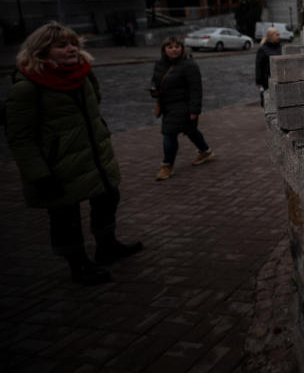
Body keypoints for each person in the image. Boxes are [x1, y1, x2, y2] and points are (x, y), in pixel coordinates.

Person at [5, 22, 142, 285]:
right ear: (42, 51)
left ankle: (107, 245)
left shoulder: (83, 74)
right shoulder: (28, 87)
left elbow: (94, 106)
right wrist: (39, 175)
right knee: (65, 217)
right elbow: (20, 138)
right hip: (56, 164)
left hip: (94, 154)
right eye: (62, 45)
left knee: (108, 197)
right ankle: (78, 264)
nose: (71, 49)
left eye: (73, 44)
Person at [151, 35, 213, 180]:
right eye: (170, 47)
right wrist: (154, 89)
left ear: (182, 48)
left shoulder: (189, 65)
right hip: (167, 105)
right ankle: (205, 151)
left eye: (177, 47)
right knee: (190, 130)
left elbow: (196, 89)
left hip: (183, 106)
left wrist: (194, 110)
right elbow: (155, 80)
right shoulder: (160, 64)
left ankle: (167, 166)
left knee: (169, 134)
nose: (174, 50)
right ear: (164, 49)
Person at [255, 27, 284, 106]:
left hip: (280, 78)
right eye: (277, 35)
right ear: (271, 36)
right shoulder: (263, 49)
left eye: (279, 35)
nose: (279, 37)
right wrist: (258, 81)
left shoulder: (281, 47)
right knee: (269, 103)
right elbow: (258, 66)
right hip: (267, 80)